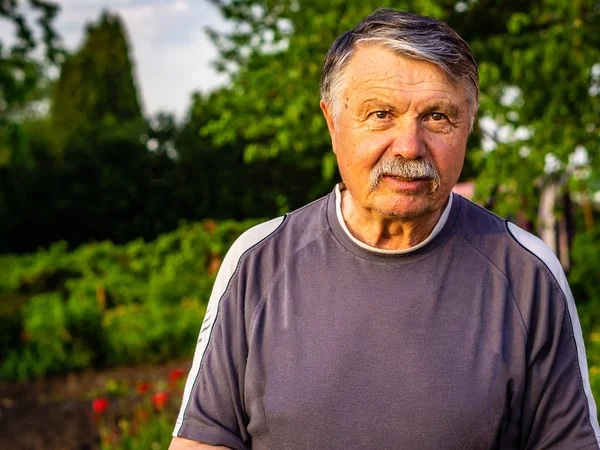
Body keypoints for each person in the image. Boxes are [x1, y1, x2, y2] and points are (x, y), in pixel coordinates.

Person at [169, 8, 600, 450]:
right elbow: (205, 440)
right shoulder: (257, 262)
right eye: (380, 114)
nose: (410, 146)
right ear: (332, 123)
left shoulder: (527, 274)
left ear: (468, 125)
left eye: (437, 117)